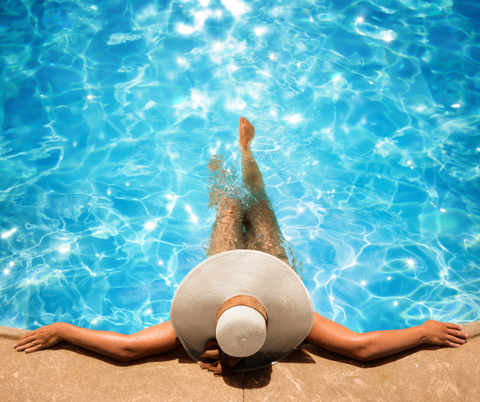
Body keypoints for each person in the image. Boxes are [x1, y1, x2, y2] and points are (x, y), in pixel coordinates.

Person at [13, 117, 479, 375]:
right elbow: (360, 348)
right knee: (257, 204)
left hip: (222, 263)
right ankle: (239, 160)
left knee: (233, 209)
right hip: (271, 264)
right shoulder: (293, 318)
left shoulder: (191, 329)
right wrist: (421, 331)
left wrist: (65, 330)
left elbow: (130, 349)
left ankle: (239, 159)